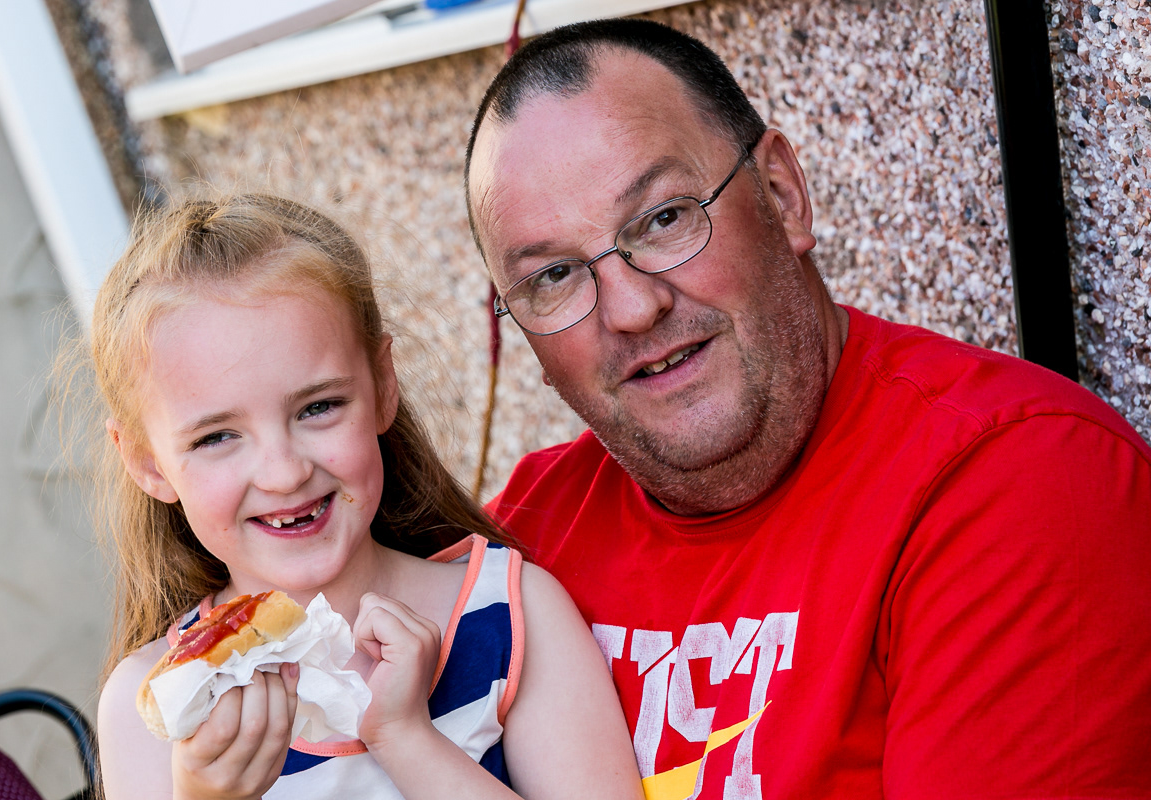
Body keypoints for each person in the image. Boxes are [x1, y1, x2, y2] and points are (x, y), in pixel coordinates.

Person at [465, 17, 1151, 800]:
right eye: (552, 277)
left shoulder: (1020, 480)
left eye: (663, 219)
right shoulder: (523, 542)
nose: (630, 309)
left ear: (783, 196)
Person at [85, 193, 644, 800]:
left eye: (318, 407)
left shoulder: (513, 614)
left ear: (382, 385)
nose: (284, 473)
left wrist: (405, 739)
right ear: (147, 462)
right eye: (217, 437)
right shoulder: (154, 708)